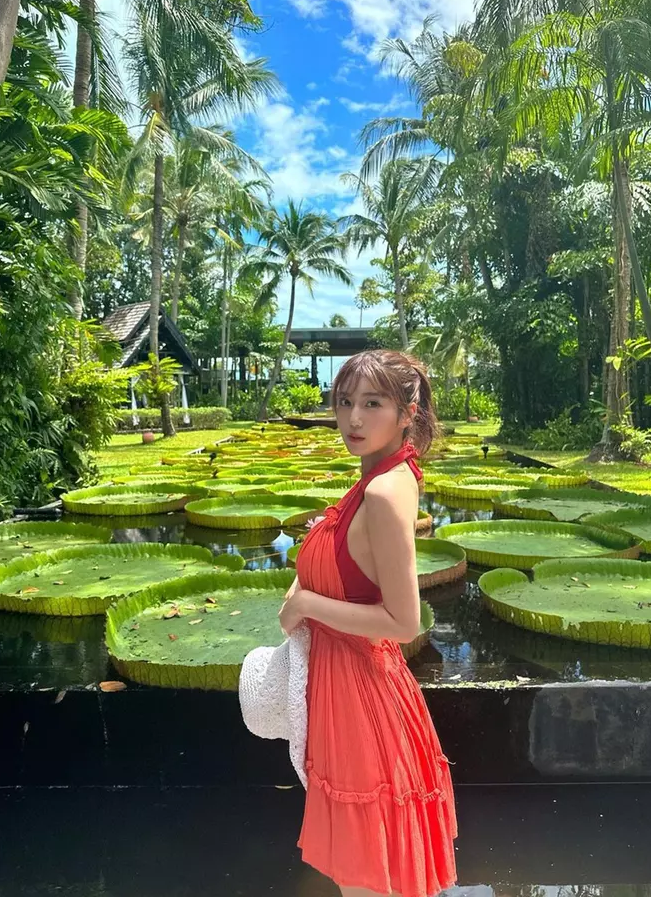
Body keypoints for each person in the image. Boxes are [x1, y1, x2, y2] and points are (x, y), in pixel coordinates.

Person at [278, 349, 458, 897]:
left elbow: (403, 622)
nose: (353, 420)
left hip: (360, 694)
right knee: (369, 873)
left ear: (407, 412)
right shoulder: (383, 473)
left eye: (372, 403)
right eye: (345, 403)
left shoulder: (383, 491)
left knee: (368, 875)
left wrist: (306, 604)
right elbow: (359, 566)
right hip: (352, 686)